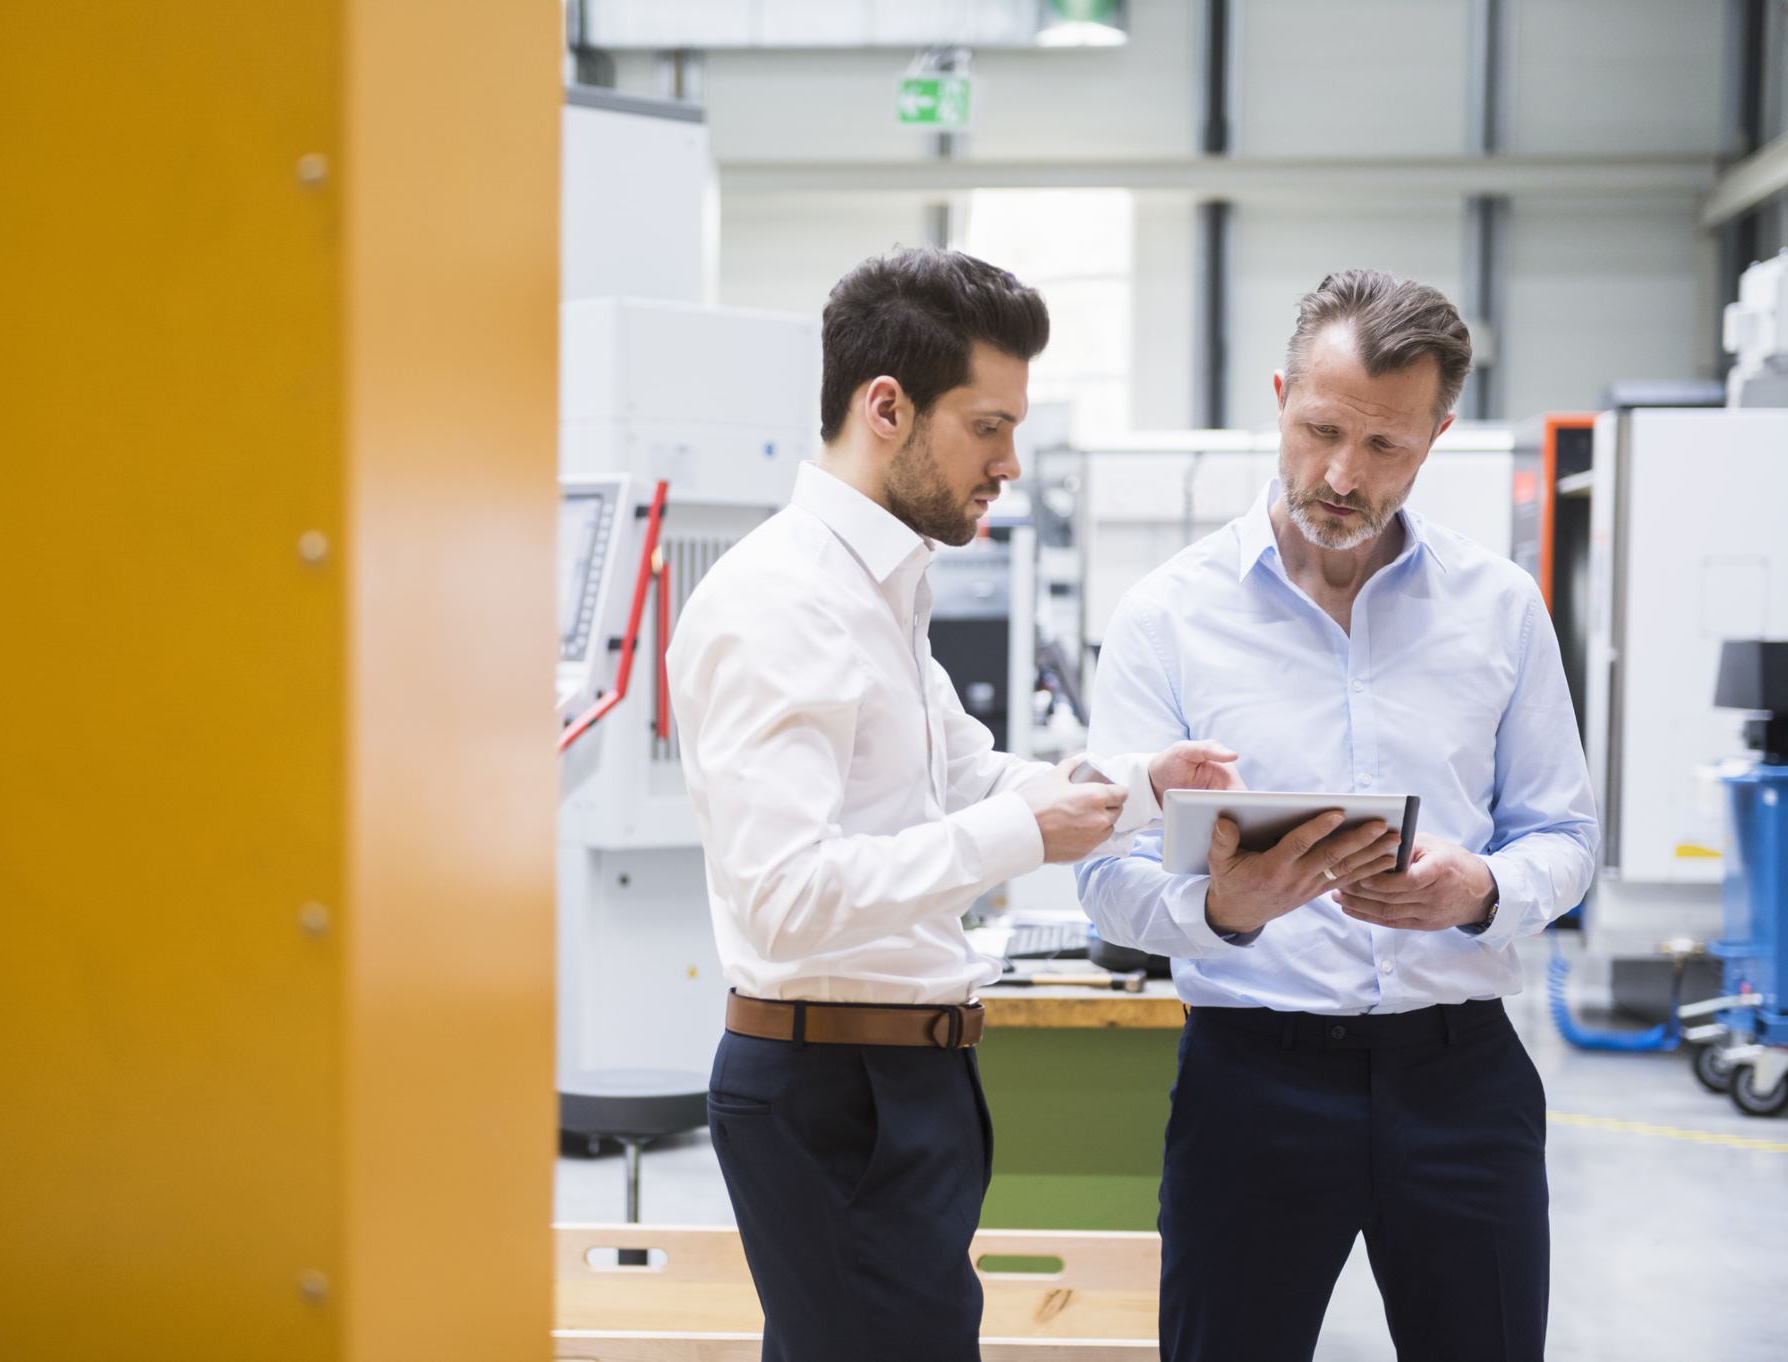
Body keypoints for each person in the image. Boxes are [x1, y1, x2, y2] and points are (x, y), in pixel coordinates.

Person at [667, 247, 1240, 1362]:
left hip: (905, 1077)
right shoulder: (782, 602)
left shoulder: (880, 586)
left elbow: (966, 774)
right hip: (835, 1088)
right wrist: (1024, 835)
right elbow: (783, 899)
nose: (1010, 463)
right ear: (887, 407)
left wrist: (1137, 788)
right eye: (988, 426)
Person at [1076, 269, 1600, 1362]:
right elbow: (1104, 876)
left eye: (1385, 449)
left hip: (1462, 1082)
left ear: (1437, 434)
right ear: (1279, 396)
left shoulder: (1498, 608)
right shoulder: (1168, 617)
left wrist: (1483, 891)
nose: (1341, 475)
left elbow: (1567, 837)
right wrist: (1223, 910)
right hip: (1251, 1083)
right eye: (1319, 430)